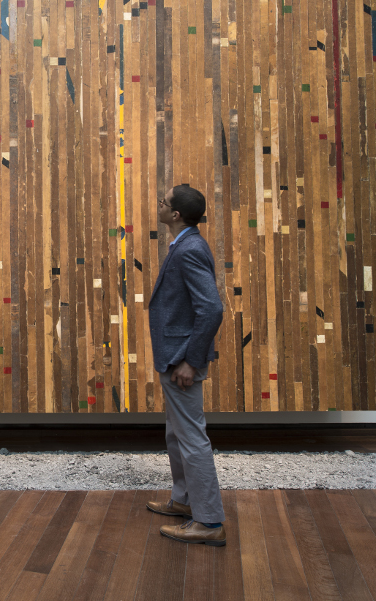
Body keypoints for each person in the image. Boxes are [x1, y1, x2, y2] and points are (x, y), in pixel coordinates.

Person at [146, 184, 226, 546]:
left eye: (164, 202)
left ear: (175, 214)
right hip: (174, 355)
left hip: (182, 360)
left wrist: (191, 362)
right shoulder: (183, 243)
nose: (159, 205)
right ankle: (184, 501)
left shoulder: (189, 248)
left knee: (192, 438)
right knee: (176, 434)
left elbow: (211, 309)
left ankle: (208, 522)